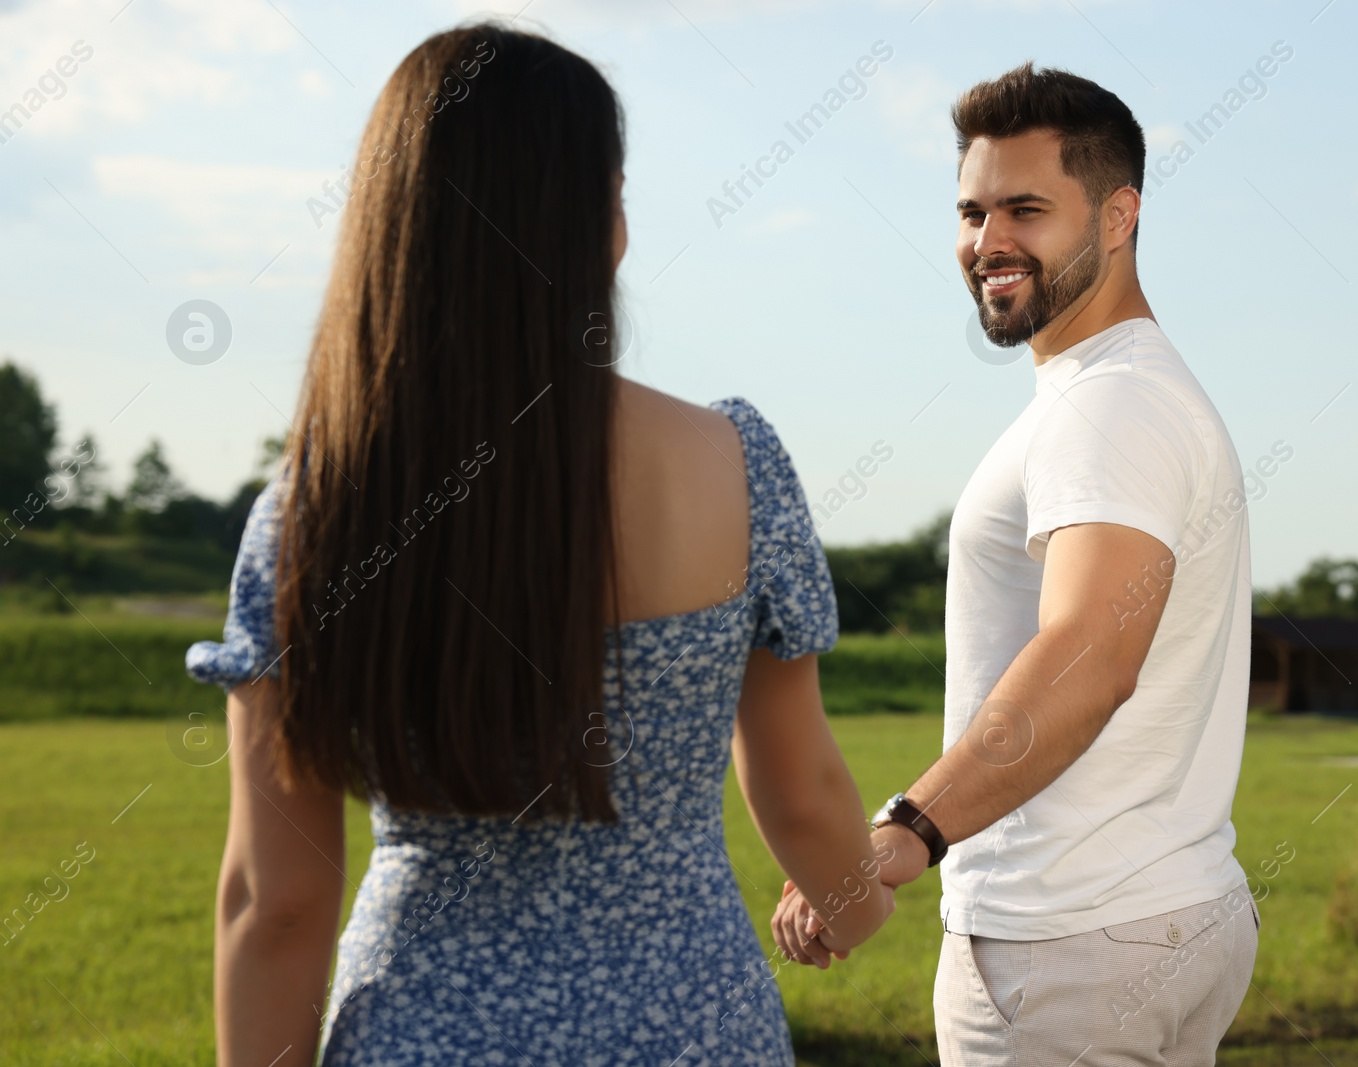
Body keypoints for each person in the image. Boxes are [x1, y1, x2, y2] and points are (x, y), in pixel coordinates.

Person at [186, 24, 891, 1066]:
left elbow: (274, 899)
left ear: (392, 224)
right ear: (602, 222)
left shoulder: (308, 513)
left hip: (421, 1032)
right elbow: (801, 788)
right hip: (693, 1029)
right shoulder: (732, 464)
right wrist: (853, 904)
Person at [773, 63, 1259, 1065]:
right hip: (1154, 915)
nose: (986, 243)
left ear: (1117, 216)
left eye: (1024, 210)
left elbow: (1089, 651)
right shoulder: (1120, 392)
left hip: (1066, 946)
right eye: (971, 211)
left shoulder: (1108, 406)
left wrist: (906, 827)